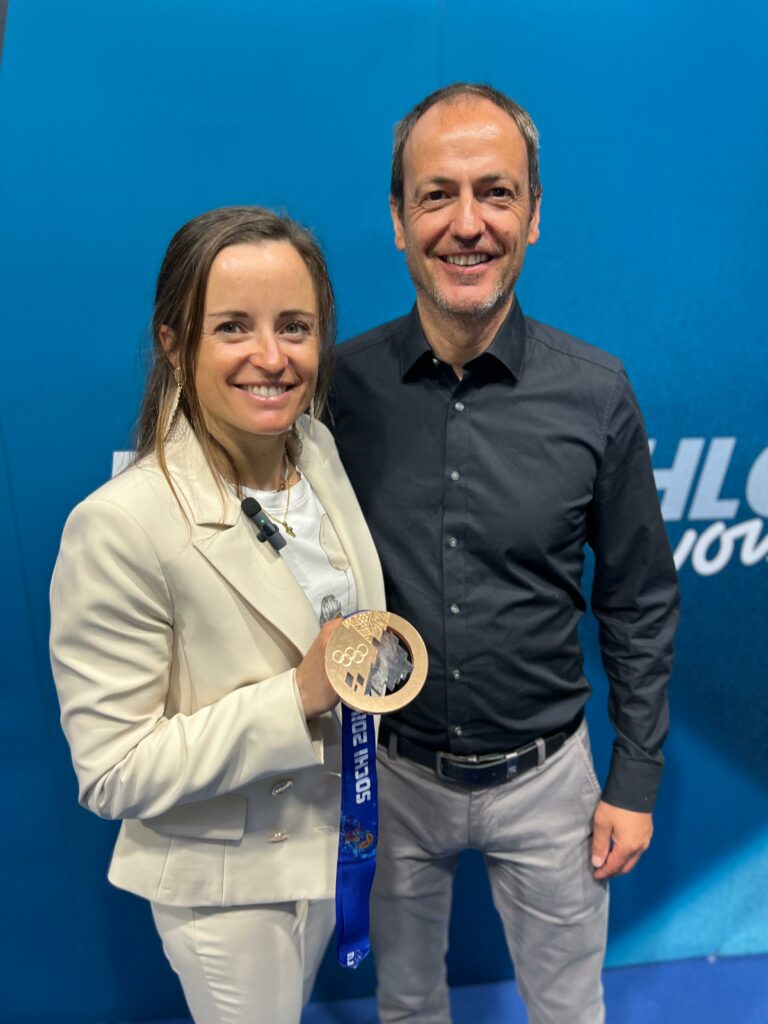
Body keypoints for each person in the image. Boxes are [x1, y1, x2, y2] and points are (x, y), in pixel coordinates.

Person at [325, 83, 680, 1024]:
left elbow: (639, 599)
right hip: (386, 773)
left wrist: (633, 779)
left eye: (497, 192)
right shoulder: (334, 392)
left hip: (550, 778)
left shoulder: (598, 395)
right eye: (437, 194)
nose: (468, 224)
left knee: (570, 1010)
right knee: (405, 1007)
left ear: (533, 217)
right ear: (399, 221)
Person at [49, 206, 385, 1024]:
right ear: (173, 343)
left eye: (295, 327)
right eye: (233, 327)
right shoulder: (119, 525)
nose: (271, 358)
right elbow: (112, 770)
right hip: (228, 892)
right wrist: (297, 696)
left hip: (330, 846)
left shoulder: (319, 449)